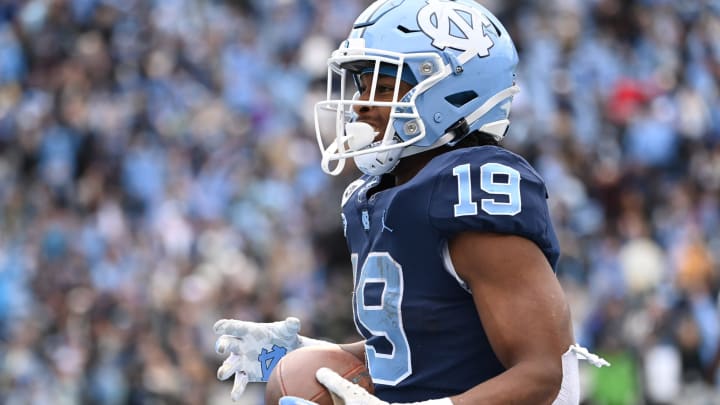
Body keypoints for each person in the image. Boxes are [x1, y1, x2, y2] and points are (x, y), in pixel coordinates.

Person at [214, 0, 609, 403]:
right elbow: (416, 350)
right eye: (363, 86)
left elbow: (546, 376)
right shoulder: (378, 195)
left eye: (384, 87)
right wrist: (300, 351)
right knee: (303, 373)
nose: (361, 104)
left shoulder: (468, 190)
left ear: (451, 94)